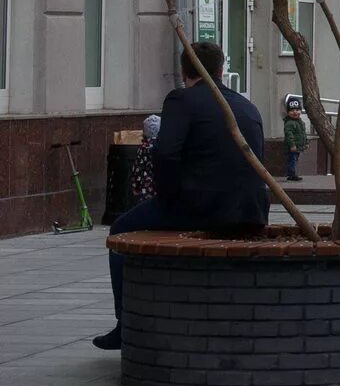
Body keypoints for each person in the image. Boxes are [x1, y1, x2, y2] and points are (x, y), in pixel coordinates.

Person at [96, 43, 269, 350]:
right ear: (221, 69)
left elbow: (165, 153)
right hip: (252, 211)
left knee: (121, 231)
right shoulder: (246, 105)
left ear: (184, 71)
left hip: (200, 207)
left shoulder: (183, 99)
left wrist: (167, 197)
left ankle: (126, 324)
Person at [281, 95, 308, 182]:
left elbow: (303, 134)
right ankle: (291, 174)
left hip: (298, 146)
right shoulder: (289, 123)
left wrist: (306, 143)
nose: (295, 112)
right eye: (292, 110)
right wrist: (292, 145)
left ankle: (292, 173)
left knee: (295, 160)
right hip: (292, 147)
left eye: (297, 110)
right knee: (292, 160)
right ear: (288, 112)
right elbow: (289, 135)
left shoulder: (300, 122)